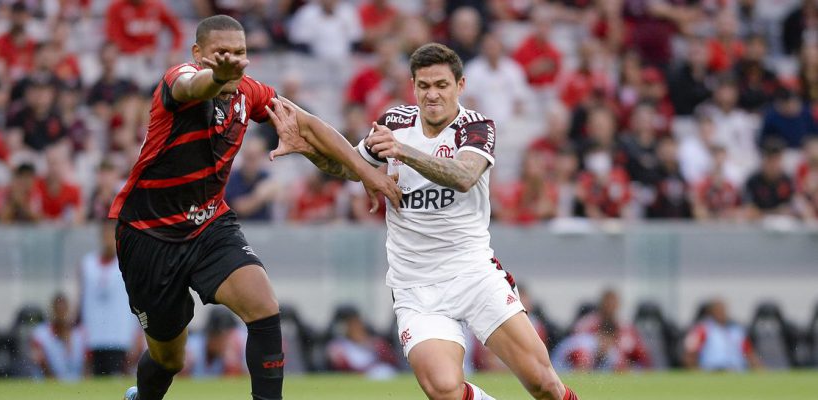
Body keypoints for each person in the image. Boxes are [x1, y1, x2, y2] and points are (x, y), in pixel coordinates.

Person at [268, 43, 579, 400]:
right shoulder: (395, 123)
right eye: (424, 85)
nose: (432, 94)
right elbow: (348, 167)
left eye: (441, 85)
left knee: (544, 385)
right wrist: (309, 148)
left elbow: (463, 175)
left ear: (459, 86)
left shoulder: (475, 127)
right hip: (416, 286)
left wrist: (402, 152)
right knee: (444, 390)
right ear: (413, 86)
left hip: (473, 274)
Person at [112, 15, 401, 400]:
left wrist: (368, 173)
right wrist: (216, 76)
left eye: (240, 53)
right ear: (198, 54)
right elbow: (191, 87)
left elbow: (310, 126)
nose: (232, 61)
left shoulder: (250, 93)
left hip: (208, 224)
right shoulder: (178, 78)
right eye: (221, 54)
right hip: (149, 234)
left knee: (263, 306)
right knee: (168, 358)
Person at [78, 220, 135, 376]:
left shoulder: (128, 262)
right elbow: (82, 300)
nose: (108, 238)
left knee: (118, 380)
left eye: (112, 235)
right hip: (94, 336)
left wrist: (137, 334)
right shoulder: (87, 264)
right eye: (105, 234)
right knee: (96, 379)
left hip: (120, 336)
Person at [30, 293, 87, 381]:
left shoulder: (80, 334)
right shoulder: (41, 334)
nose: (61, 314)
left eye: (64, 310)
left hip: (76, 383)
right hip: (48, 383)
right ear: (52, 311)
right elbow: (40, 362)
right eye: (58, 310)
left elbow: (87, 364)